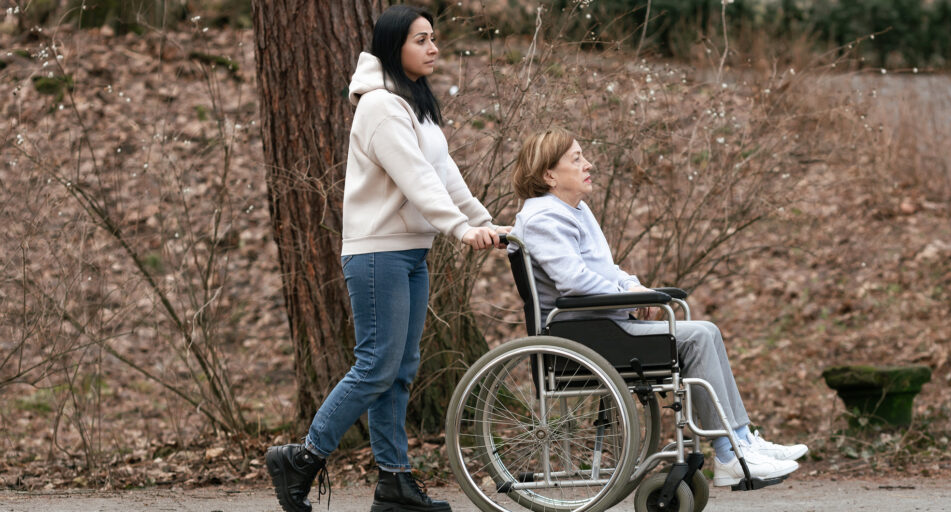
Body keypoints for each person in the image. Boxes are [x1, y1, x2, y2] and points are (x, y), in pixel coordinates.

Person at [265, 6, 508, 512]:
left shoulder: (413, 104)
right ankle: (302, 458)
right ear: (394, 46)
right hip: (378, 254)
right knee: (376, 366)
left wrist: (485, 221)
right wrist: (461, 229)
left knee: (400, 370)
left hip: (410, 252)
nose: (433, 48)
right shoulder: (378, 106)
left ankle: (394, 482)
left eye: (434, 38)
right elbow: (415, 180)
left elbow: (443, 174)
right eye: (422, 40)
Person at [508, 128, 807, 487]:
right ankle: (730, 452)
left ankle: (741, 441)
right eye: (576, 159)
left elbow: (602, 269)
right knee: (698, 336)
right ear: (548, 175)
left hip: (602, 327)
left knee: (704, 332)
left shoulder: (574, 210)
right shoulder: (544, 218)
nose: (589, 164)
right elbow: (574, 281)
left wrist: (633, 286)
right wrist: (634, 301)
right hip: (585, 337)